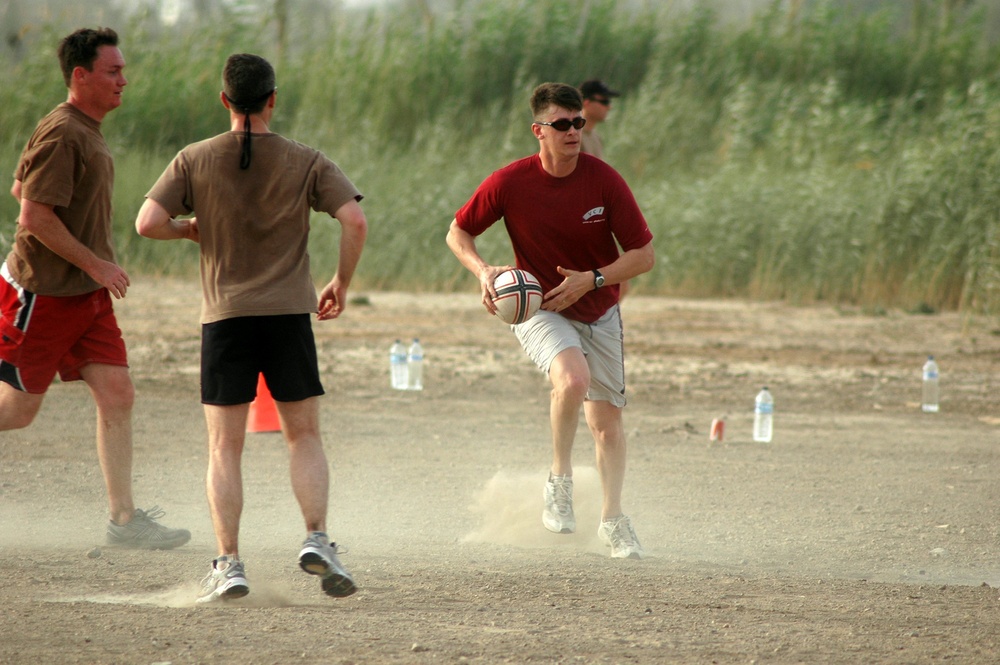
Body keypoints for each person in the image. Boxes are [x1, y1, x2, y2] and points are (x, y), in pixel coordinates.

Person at [136, 53, 368, 602]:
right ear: (272, 99)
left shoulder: (193, 158)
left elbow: (147, 223)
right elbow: (354, 218)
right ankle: (316, 537)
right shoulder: (305, 159)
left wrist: (191, 231)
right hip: (289, 315)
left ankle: (230, 562)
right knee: (303, 435)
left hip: (225, 318)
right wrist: (340, 282)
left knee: (224, 448)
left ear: (224, 99)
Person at [446, 82, 655, 559]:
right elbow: (458, 231)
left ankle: (612, 520)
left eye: (578, 122)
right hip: (539, 309)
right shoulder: (509, 182)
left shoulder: (604, 180)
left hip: (600, 309)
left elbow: (644, 256)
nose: (573, 131)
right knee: (572, 379)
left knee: (607, 426)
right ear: (538, 130)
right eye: (562, 124)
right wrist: (484, 272)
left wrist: (594, 279)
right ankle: (558, 481)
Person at [0, 27, 190, 550]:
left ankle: (124, 522)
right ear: (79, 76)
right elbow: (33, 212)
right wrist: (99, 264)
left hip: (84, 296)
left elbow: (21, 185)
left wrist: (93, 272)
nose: (123, 81)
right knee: (16, 411)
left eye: (123, 70)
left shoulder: (81, 127)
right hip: (42, 293)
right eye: (113, 71)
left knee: (117, 393)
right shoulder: (64, 131)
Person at [578, 79, 620, 161]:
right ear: (586, 103)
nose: (609, 107)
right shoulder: (573, 136)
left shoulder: (596, 138)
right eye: (604, 101)